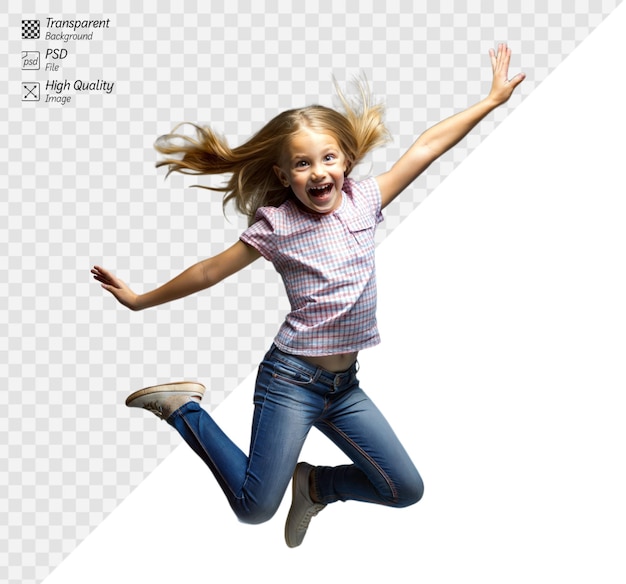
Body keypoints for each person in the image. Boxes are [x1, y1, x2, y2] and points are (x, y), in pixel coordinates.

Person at [92, 44, 524, 547]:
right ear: (283, 176)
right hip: (290, 382)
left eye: (327, 158)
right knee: (254, 510)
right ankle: (183, 408)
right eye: (302, 164)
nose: (318, 172)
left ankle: (317, 485)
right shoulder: (276, 225)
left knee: (405, 489)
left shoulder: (367, 199)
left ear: (346, 160)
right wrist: (141, 299)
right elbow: (211, 271)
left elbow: (427, 147)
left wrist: (490, 101)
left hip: (344, 390)